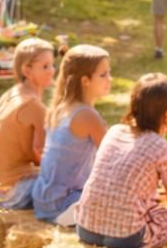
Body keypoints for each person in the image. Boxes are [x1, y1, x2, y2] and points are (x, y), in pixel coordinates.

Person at [75, 74, 167, 248]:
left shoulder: (114, 131)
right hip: (128, 237)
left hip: (86, 228)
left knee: (156, 209)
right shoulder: (162, 147)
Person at [33, 46, 111, 226]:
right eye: (103, 75)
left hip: (44, 201)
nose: (109, 79)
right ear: (85, 80)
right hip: (65, 204)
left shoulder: (61, 108)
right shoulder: (86, 115)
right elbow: (112, 158)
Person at [0, 38, 57, 210]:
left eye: (52, 65)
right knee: (69, 184)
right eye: (45, 67)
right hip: (12, 193)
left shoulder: (10, 95)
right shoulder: (33, 106)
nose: (52, 71)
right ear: (27, 70)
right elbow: (42, 154)